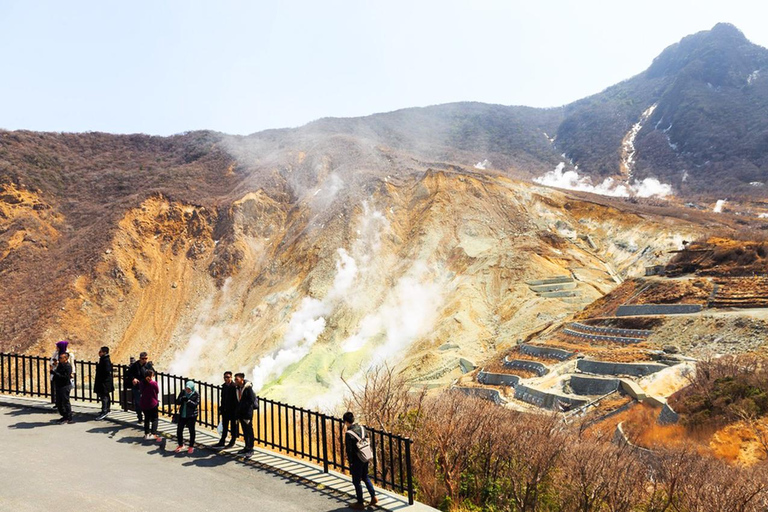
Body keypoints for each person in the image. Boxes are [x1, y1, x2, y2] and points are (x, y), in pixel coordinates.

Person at [343, 411, 377, 510]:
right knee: (365, 476)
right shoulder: (362, 428)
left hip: (357, 459)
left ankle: (360, 502)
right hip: (365, 456)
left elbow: (349, 450)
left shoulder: (349, 434)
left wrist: (351, 462)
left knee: (356, 481)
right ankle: (373, 496)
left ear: (346, 422)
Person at [126, 352, 154, 423]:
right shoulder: (135, 365)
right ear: (140, 358)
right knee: (138, 402)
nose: (144, 360)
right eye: (143, 358)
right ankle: (140, 417)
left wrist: (150, 377)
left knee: (147, 402)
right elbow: (129, 373)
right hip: (137, 386)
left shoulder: (148, 365)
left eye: (146, 358)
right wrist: (133, 379)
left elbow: (153, 372)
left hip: (146, 386)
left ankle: (148, 417)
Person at [214, 371, 238, 448]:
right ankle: (222, 440)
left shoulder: (234, 386)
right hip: (225, 409)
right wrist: (221, 408)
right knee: (225, 425)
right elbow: (223, 398)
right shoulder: (224, 386)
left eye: (227, 377)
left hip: (233, 410)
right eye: (225, 377)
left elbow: (236, 399)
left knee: (233, 426)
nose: (226, 379)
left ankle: (233, 440)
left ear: (231, 377)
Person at [174, 381, 199, 454]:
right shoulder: (183, 392)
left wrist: (188, 401)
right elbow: (177, 402)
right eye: (186, 388)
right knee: (179, 430)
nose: (187, 390)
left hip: (191, 415)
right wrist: (181, 399)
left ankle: (191, 446)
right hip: (183, 414)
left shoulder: (196, 393)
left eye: (189, 389)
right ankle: (180, 445)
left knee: (191, 431)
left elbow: (195, 404)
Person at [49, 340, 76, 407]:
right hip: (57, 373)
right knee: (57, 388)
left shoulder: (69, 354)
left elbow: (72, 364)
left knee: (64, 391)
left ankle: (64, 405)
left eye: (57, 346)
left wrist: (72, 373)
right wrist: (54, 363)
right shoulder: (56, 353)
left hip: (65, 374)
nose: (56, 348)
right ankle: (58, 403)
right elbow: (51, 361)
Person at [234, 373, 255, 457]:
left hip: (247, 413)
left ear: (242, 379)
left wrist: (243, 406)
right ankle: (246, 447)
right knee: (245, 431)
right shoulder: (238, 388)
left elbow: (251, 400)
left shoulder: (248, 388)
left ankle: (251, 448)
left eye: (237, 379)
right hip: (241, 413)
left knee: (249, 431)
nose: (235, 381)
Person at [50, 353, 74, 424]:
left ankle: (69, 417)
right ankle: (64, 415)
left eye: (61, 358)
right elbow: (57, 372)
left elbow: (65, 377)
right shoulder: (60, 365)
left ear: (66, 359)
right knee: (59, 402)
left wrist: (54, 373)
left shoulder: (68, 366)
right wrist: (54, 367)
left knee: (65, 402)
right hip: (59, 385)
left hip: (65, 386)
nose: (59, 359)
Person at [139, 370, 162, 442]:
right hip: (152, 403)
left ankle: (146, 434)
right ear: (151, 376)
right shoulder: (153, 383)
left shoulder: (141, 383)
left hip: (144, 403)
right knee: (155, 419)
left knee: (146, 419)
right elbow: (157, 391)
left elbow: (141, 390)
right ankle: (153, 433)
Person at [94, 346, 114, 420]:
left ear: (104, 352)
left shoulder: (105, 360)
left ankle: (104, 411)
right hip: (103, 381)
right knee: (105, 395)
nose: (99, 352)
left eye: (101, 351)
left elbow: (106, 371)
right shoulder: (103, 359)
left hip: (104, 382)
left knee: (104, 396)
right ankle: (106, 409)